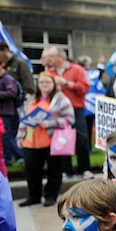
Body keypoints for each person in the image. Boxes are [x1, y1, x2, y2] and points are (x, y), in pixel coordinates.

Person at [16, 71, 75, 206]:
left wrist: (51, 123)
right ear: (38, 84)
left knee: (54, 171)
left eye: (48, 82)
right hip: (31, 141)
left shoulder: (61, 99)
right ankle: (33, 196)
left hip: (52, 141)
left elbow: (70, 119)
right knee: (32, 171)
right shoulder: (31, 99)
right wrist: (20, 138)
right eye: (41, 82)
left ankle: (51, 196)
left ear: (53, 84)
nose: (44, 85)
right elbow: (24, 120)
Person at [43, 47, 91, 177]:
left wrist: (66, 83)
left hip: (76, 109)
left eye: (51, 57)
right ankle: (66, 170)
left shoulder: (76, 69)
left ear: (60, 57)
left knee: (82, 138)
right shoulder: (49, 72)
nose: (49, 59)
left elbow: (84, 88)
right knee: (62, 139)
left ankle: (84, 168)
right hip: (59, 112)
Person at [0, 41, 33, 166]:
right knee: (8, 133)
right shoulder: (3, 70)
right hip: (7, 106)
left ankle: (20, 156)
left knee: (12, 133)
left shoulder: (19, 63)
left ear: (5, 50)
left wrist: (27, 98)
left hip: (18, 104)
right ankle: (8, 158)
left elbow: (28, 84)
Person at [0, 58, 18, 175]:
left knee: (6, 136)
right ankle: (8, 158)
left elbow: (12, 93)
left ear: (2, 64)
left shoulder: (7, 78)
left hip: (5, 112)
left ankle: (19, 156)